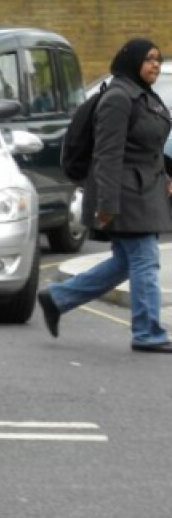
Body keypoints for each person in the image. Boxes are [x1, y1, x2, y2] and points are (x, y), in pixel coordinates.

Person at [37, 38, 172, 351]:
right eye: (149, 59)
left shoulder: (145, 97)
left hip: (143, 189)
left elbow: (148, 148)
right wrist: (106, 205)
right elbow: (107, 155)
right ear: (132, 61)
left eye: (158, 59)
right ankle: (147, 332)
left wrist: (165, 175)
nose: (155, 65)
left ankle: (58, 297)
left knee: (126, 262)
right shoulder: (118, 98)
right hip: (124, 192)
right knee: (145, 260)